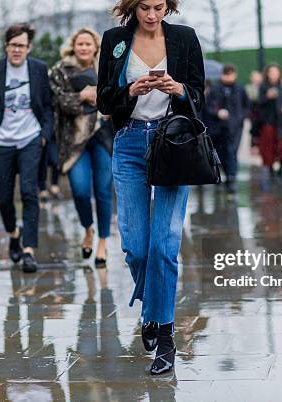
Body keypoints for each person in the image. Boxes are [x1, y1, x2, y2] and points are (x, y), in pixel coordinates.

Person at [97, 0, 204, 375]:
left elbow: (199, 97)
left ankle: (165, 334)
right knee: (137, 248)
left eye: (159, 6)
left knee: (164, 245)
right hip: (128, 145)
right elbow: (103, 101)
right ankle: (151, 311)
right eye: (144, 7)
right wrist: (130, 90)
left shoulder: (185, 39)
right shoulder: (114, 40)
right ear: (132, 7)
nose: (152, 15)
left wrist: (178, 89)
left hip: (172, 143)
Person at [0, 23, 55, 273]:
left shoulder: (38, 69)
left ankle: (28, 250)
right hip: (1, 143)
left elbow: (47, 106)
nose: (17, 50)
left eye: (22, 46)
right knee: (4, 199)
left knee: (29, 192)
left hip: (30, 140)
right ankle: (13, 233)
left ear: (29, 48)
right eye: (13, 45)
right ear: (6, 46)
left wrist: (44, 135)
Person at [50, 27, 113, 267]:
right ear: (73, 46)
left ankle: (103, 242)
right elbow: (58, 101)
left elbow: (119, 97)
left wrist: (108, 107)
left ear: (96, 46)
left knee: (104, 191)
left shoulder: (107, 68)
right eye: (80, 44)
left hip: (104, 138)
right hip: (73, 140)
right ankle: (88, 228)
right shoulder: (60, 70)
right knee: (80, 190)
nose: (84, 48)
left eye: (89, 44)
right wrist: (84, 96)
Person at [206, 64, 250, 194]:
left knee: (232, 151)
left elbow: (246, 106)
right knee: (221, 152)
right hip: (218, 128)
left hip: (235, 127)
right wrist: (217, 112)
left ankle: (232, 178)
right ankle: (227, 175)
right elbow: (208, 106)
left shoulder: (240, 89)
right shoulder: (215, 89)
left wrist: (239, 117)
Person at [257, 64, 282, 177]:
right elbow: (258, 104)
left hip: (281, 121)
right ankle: (270, 168)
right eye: (271, 72)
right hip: (268, 121)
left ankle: (281, 166)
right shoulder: (263, 87)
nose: (274, 75)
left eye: (276, 72)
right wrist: (267, 97)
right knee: (268, 146)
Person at [245, 70, 263, 149]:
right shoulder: (249, 87)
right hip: (253, 111)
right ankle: (254, 145)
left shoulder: (263, 87)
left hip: (261, 111)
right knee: (254, 127)